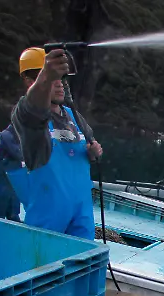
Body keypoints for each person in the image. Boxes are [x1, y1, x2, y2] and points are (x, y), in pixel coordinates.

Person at [6, 47, 103, 239]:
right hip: (48, 220)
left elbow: (88, 148)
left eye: (61, 79)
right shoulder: (27, 117)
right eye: (52, 79)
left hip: (82, 217)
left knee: (81, 265)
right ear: (30, 81)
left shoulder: (74, 116)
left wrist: (93, 153)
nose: (59, 85)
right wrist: (46, 77)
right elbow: (32, 109)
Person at [0, 123, 22, 222]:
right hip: (3, 173)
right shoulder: (6, 135)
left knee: (14, 196)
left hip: (14, 172)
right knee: (2, 197)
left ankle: (13, 216)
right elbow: (17, 153)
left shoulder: (20, 135)